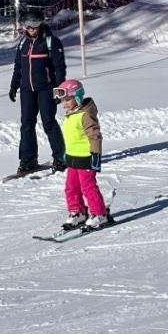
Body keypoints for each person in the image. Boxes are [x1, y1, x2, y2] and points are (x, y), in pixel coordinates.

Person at [9, 14, 67, 175]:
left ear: (40, 25)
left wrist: (59, 89)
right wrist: (14, 85)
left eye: (35, 26)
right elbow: (18, 67)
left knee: (48, 121)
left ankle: (60, 158)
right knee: (26, 124)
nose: (31, 29)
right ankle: (28, 160)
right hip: (27, 89)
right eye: (28, 26)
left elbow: (59, 68)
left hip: (46, 88)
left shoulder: (51, 42)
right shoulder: (23, 43)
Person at [55, 78, 113, 231]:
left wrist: (96, 154)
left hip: (86, 157)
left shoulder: (85, 115)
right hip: (73, 158)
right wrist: (66, 154)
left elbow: (95, 135)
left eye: (68, 99)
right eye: (63, 100)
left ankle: (99, 214)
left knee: (88, 187)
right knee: (71, 187)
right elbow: (72, 138)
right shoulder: (70, 115)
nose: (65, 103)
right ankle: (78, 212)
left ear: (78, 97)